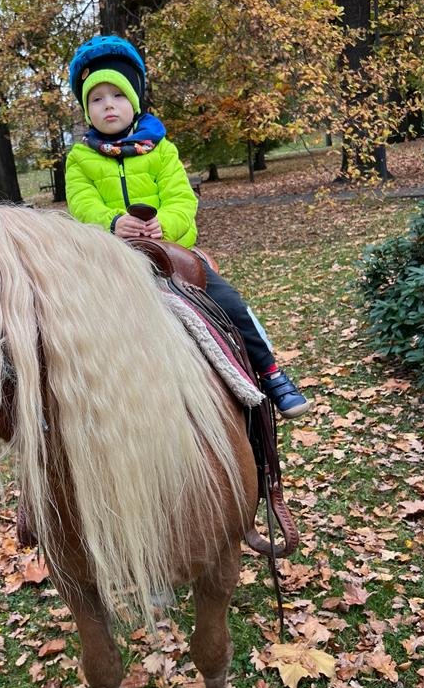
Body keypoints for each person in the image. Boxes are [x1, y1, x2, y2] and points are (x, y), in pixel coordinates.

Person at [65, 34, 310, 419]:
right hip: (107, 256)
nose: (108, 104)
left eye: (118, 94)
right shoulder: (80, 158)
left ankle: (270, 372)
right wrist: (113, 223)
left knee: (228, 301)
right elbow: (82, 204)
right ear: (86, 109)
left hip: (168, 251)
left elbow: (182, 199)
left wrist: (162, 225)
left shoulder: (161, 149)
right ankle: (70, 405)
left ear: (135, 100)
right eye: (96, 98)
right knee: (64, 322)